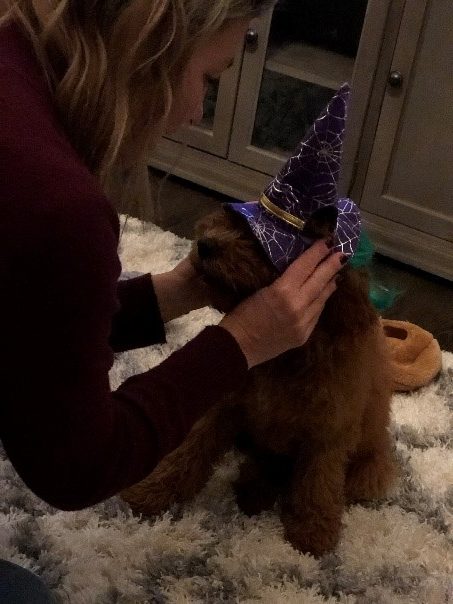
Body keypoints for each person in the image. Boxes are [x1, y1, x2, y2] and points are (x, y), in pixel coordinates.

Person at [0, 0, 345, 600]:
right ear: (151, 43)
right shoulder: (61, 208)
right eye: (208, 78)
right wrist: (239, 344)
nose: (194, 113)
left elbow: (22, 326)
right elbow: (77, 465)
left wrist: (173, 292)